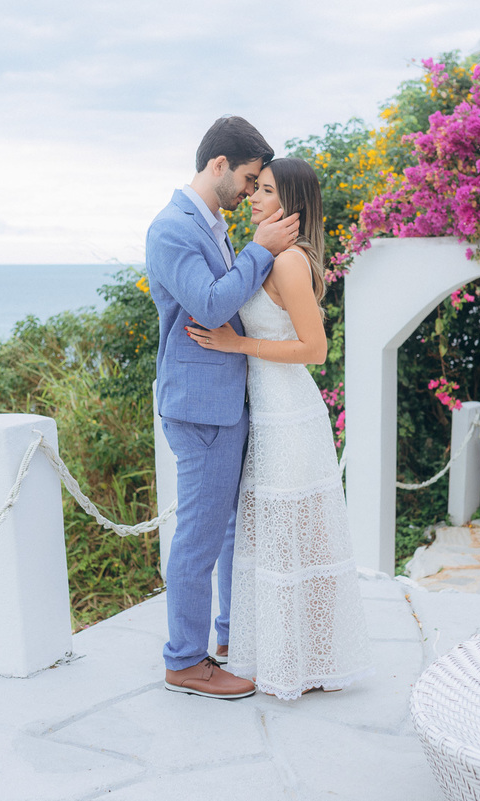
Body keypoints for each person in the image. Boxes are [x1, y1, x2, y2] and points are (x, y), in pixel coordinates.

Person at [184, 158, 373, 700]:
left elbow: (316, 350)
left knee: (300, 538)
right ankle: (292, 655)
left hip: (289, 414)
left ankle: (311, 660)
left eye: (266, 191)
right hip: (266, 412)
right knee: (280, 541)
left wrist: (238, 344)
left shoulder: (289, 261)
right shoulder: (266, 255)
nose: (254, 198)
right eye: (256, 188)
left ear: (291, 203)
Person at [146, 116, 300, 699]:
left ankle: (233, 639)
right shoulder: (172, 229)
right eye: (249, 178)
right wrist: (261, 251)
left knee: (232, 528)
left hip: (226, 400)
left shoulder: (212, 225)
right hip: (200, 406)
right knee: (200, 536)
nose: (251, 190)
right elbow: (210, 306)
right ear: (219, 165)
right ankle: (185, 661)